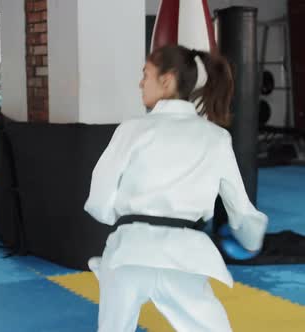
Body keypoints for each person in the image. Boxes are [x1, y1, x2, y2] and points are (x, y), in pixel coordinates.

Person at [84, 44, 268, 332]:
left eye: (146, 74)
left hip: (128, 253)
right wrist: (251, 241)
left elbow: (98, 199)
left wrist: (124, 223)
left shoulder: (131, 129)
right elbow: (242, 212)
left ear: (167, 80)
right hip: (184, 256)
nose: (140, 82)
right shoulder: (216, 137)